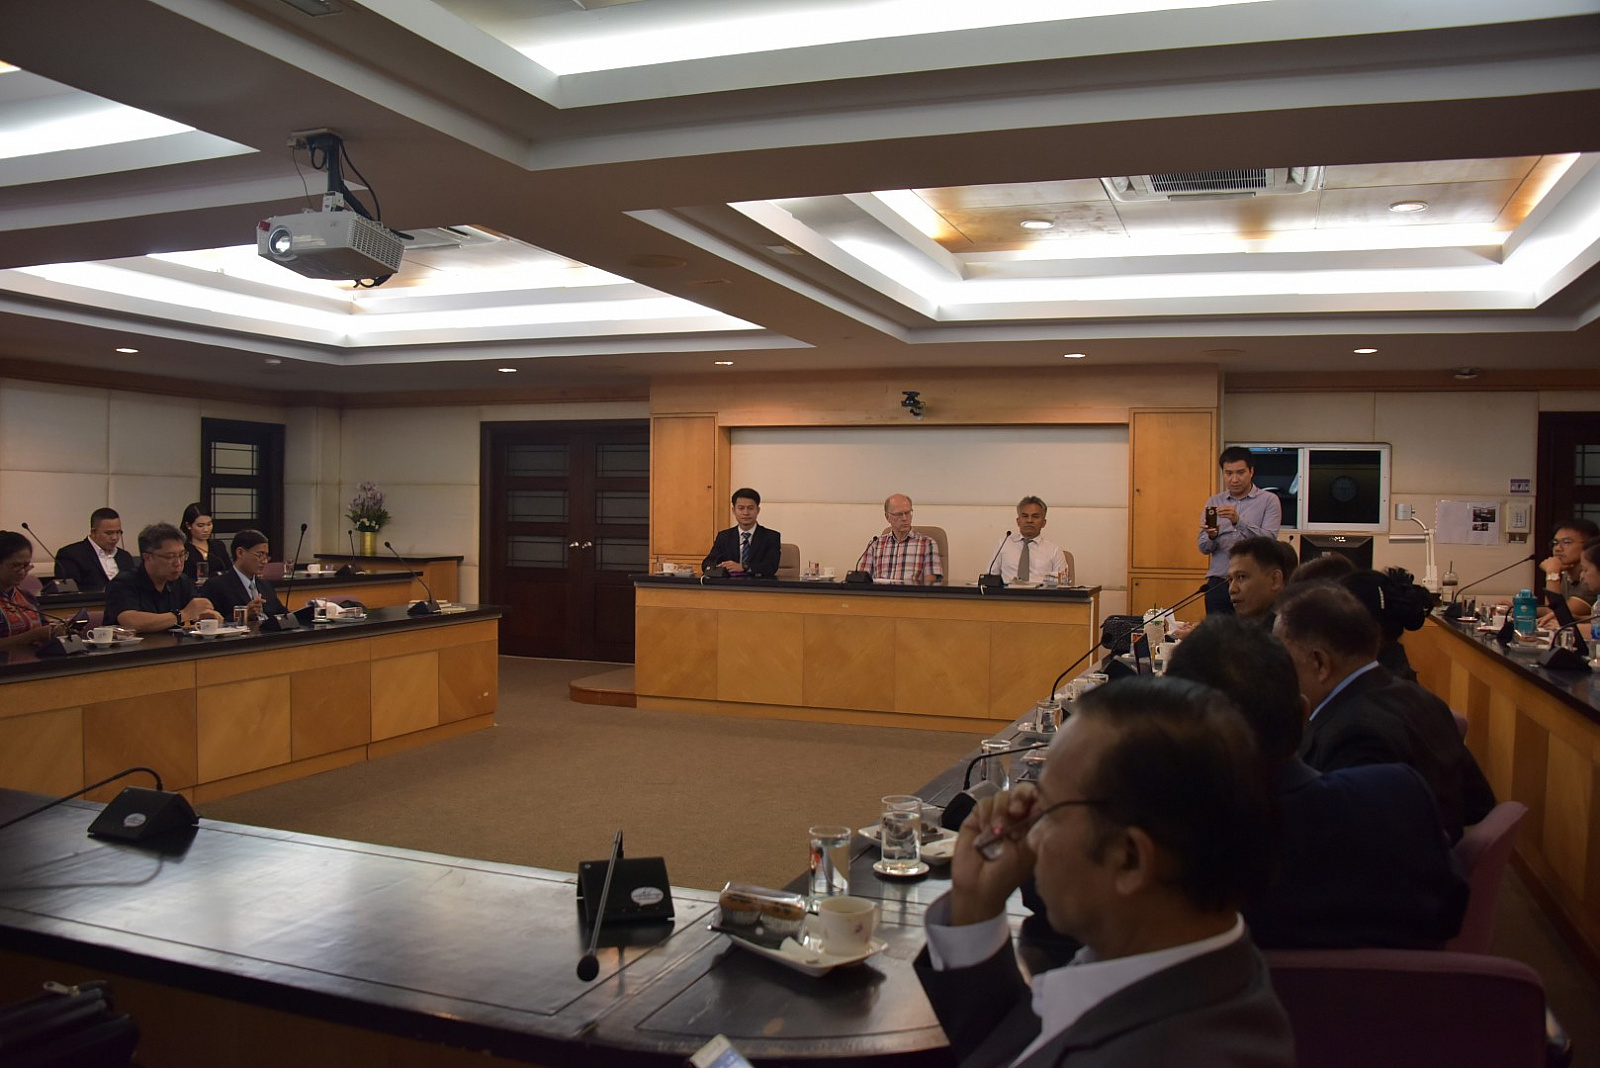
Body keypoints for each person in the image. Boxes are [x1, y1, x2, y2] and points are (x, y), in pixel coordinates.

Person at [915, 677, 1292, 1068]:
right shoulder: (1195, 969)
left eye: (1049, 812)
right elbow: (1016, 1050)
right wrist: (976, 907)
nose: (1030, 837)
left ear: (1129, 858)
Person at [1167, 617, 1468, 950]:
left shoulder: (1170, 858)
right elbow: (1452, 914)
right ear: (1304, 714)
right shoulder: (1402, 797)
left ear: (1179, 740)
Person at [1275, 584, 1495, 843]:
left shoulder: (1354, 736)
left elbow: (1335, 843)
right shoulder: (1422, 698)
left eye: (1283, 660)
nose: (1278, 673)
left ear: (1320, 663)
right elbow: (1477, 803)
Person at [1197, 447, 1282, 616]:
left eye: (1240, 472)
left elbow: (1269, 542)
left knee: (1250, 631)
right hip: (1219, 582)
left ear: (1251, 472)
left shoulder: (1269, 500)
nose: (1234, 479)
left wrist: (1238, 522)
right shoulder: (1214, 501)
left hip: (1251, 585)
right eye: (1228, 473)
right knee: (1216, 632)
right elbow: (1203, 547)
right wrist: (1212, 536)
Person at [104, 523, 222, 633]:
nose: (178, 563)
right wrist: (182, 615)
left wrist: (205, 616)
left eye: (182, 555)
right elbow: (131, 622)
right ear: (147, 557)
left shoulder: (182, 581)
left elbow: (194, 610)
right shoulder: (123, 582)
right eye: (170, 556)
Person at [856, 494, 942, 585]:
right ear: (887, 517)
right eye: (899, 514)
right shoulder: (875, 544)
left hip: (911, 593)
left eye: (908, 513)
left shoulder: (927, 544)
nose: (905, 518)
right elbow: (862, 580)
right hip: (881, 593)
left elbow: (931, 584)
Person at [201, 529, 286, 621]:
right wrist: (244, 614)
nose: (264, 561)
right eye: (260, 555)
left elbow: (283, 615)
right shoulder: (215, 586)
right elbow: (212, 623)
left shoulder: (266, 585)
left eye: (266, 556)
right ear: (240, 552)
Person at [986, 496, 1070, 584]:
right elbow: (990, 577)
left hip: (1040, 592)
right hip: (1008, 592)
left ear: (1043, 523)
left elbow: (1062, 583)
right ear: (1018, 521)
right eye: (1025, 516)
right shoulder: (1004, 544)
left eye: (1035, 516)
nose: (1029, 520)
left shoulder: (1054, 550)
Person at [701, 487, 782, 577]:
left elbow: (770, 567)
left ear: (758, 510)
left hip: (759, 584)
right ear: (733, 510)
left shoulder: (771, 537)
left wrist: (743, 567)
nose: (746, 513)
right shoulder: (724, 537)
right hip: (729, 584)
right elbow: (707, 563)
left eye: (750, 508)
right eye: (741, 508)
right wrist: (720, 566)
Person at [52, 508, 135, 593]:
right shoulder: (70, 555)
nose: (115, 537)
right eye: (109, 533)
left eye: (118, 532)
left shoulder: (125, 556)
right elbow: (71, 592)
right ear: (94, 532)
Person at [0, 530, 58, 650]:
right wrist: (32, 636)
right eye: (16, 566)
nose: (22, 572)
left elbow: (44, 626)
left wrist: (56, 629)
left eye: (26, 566)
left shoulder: (26, 597)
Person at [1225, 535, 1295, 626]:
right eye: (1230, 580)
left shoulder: (1298, 629)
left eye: (1241, 577)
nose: (1232, 589)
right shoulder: (1235, 629)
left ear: (1275, 580)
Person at [1538, 519, 1598, 624]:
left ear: (1589, 545)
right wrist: (1520, 609)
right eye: (1555, 543)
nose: (1557, 548)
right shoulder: (1566, 574)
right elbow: (1552, 611)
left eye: (1566, 542)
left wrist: (1552, 573)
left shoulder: (1593, 578)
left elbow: (1555, 615)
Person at [179, 502, 230, 582]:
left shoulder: (218, 546)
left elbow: (229, 571)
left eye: (209, 524)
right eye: (200, 525)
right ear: (188, 525)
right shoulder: (182, 548)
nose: (206, 530)